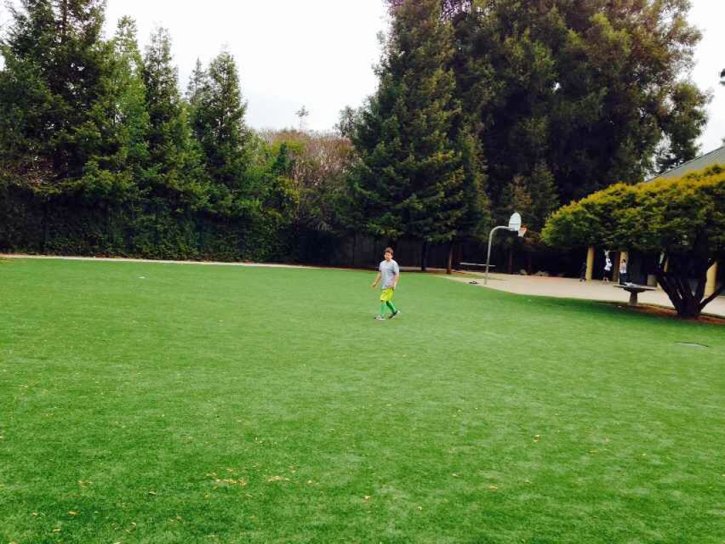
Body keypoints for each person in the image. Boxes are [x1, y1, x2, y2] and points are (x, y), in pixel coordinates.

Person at [371, 247, 401, 320]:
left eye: (389, 255)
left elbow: (397, 275)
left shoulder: (394, 264)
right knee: (387, 300)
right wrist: (375, 282)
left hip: (390, 285)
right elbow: (380, 274)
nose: (387, 256)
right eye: (386, 254)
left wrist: (393, 283)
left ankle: (382, 316)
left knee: (383, 299)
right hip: (384, 285)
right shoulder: (382, 263)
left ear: (392, 256)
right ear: (384, 255)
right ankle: (395, 311)